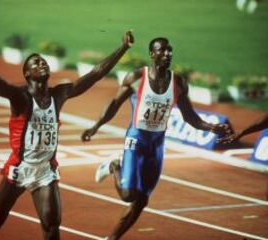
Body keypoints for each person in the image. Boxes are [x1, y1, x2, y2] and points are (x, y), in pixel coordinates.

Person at [0, 30, 134, 240]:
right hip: (20, 168)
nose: (42, 64)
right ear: (27, 74)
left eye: (44, 62)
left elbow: (95, 74)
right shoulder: (20, 97)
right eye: (36, 63)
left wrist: (123, 48)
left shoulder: (59, 94)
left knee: (52, 227)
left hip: (45, 170)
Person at [81, 37, 230, 240]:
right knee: (128, 195)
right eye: (162, 51)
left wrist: (211, 127)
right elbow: (114, 103)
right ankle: (114, 165)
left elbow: (190, 116)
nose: (168, 54)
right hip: (136, 138)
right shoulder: (136, 77)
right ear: (152, 54)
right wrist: (95, 126)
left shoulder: (178, 83)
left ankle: (112, 238)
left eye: (170, 51)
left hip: (157, 144)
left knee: (141, 201)